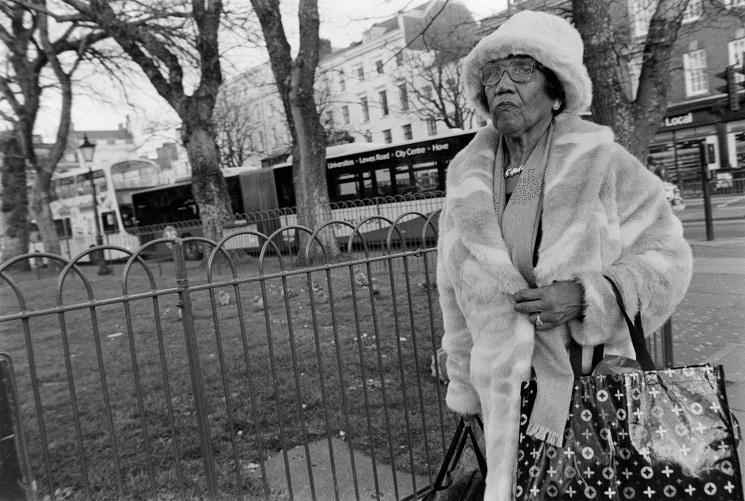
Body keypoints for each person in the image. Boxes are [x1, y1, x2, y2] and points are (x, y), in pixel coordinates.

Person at [436, 10, 692, 500]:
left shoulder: (605, 164)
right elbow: (453, 291)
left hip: (588, 388)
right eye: (492, 74)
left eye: (522, 70)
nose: (503, 85)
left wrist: (584, 297)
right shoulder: (465, 181)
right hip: (502, 398)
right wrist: (460, 368)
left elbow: (669, 259)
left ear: (556, 88)